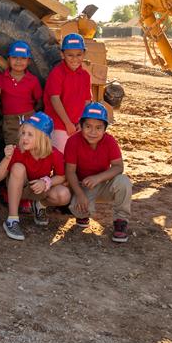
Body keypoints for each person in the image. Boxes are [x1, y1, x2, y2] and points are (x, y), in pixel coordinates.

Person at [0, 111, 71, 241]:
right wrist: (7, 158)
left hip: (39, 190)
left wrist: (46, 182)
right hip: (20, 190)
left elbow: (62, 177)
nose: (24, 138)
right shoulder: (17, 151)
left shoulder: (53, 153)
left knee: (64, 194)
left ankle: (39, 205)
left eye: (30, 134)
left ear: (42, 137)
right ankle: (12, 220)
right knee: (18, 167)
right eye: (23, 133)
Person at [65, 102, 132, 243]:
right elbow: (70, 172)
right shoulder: (73, 141)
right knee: (78, 209)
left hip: (102, 185)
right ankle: (83, 213)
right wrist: (80, 194)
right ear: (81, 126)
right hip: (82, 185)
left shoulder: (110, 141)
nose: (93, 132)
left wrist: (98, 178)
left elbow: (118, 167)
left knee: (124, 181)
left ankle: (120, 221)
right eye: (88, 126)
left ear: (105, 129)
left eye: (98, 127)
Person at [44, 33, 92, 152]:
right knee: (61, 157)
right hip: (60, 125)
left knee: (76, 158)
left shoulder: (85, 76)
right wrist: (68, 123)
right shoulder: (57, 73)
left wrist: (82, 122)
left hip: (78, 125)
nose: (75, 59)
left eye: (78, 55)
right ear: (62, 54)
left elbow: (87, 101)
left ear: (84, 54)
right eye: (70, 55)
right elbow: (55, 99)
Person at [0, 41, 43, 149]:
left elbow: (39, 101)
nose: (18, 61)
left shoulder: (33, 80)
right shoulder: (1, 78)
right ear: (8, 59)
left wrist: (30, 113)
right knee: (12, 149)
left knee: (30, 147)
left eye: (23, 58)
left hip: (29, 119)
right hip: (10, 122)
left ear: (28, 61)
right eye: (14, 57)